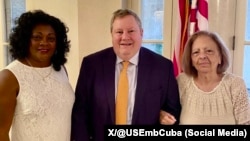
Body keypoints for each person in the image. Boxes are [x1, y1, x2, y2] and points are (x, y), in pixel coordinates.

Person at [71, 8, 181, 141]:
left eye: (131, 31)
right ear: (111, 34)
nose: (125, 37)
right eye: (119, 32)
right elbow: (80, 114)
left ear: (141, 33)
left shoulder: (163, 67)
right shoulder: (91, 65)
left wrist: (164, 117)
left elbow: (173, 111)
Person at [0, 10, 75, 141]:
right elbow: (1, 132)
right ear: (25, 39)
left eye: (51, 38)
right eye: (37, 37)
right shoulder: (9, 77)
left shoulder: (61, 70)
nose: (44, 43)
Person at [160, 30, 250, 125]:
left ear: (220, 57)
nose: (202, 56)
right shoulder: (182, 82)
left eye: (209, 51)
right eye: (196, 52)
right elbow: (169, 113)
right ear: (191, 60)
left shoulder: (235, 84)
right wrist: (161, 115)